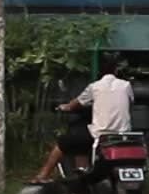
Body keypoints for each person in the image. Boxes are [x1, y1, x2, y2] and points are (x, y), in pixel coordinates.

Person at [30, 55, 134, 185]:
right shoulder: (126, 86)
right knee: (82, 139)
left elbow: (76, 103)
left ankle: (43, 175)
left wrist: (65, 107)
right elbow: (130, 104)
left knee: (63, 143)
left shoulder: (94, 87)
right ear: (116, 71)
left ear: (99, 72)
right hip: (122, 135)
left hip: (99, 135)